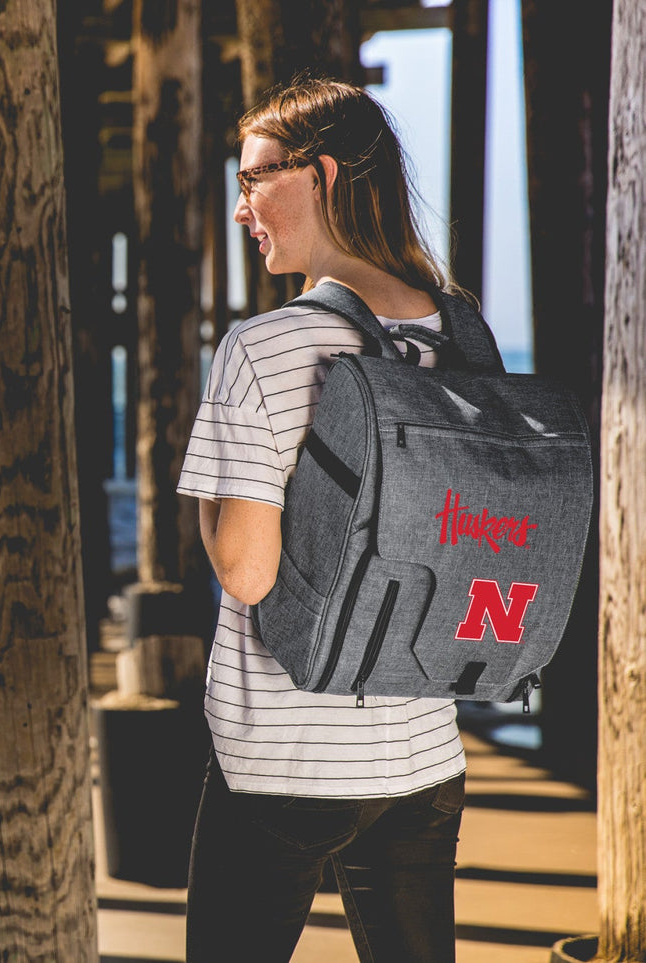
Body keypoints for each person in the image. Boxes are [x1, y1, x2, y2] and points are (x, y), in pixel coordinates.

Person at [177, 78, 470, 963]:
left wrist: (209, 499)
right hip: (422, 756)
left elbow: (247, 571)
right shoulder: (464, 333)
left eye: (255, 179)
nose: (241, 209)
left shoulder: (263, 345)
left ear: (325, 174)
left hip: (284, 758)